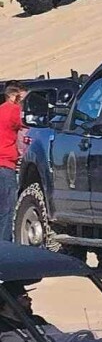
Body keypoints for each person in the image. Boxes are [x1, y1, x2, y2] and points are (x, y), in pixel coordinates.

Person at [0, 83, 26, 243]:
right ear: (13, 97)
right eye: (21, 99)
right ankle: (5, 247)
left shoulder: (1, 109)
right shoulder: (13, 110)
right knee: (8, 210)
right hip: (6, 165)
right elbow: (28, 124)